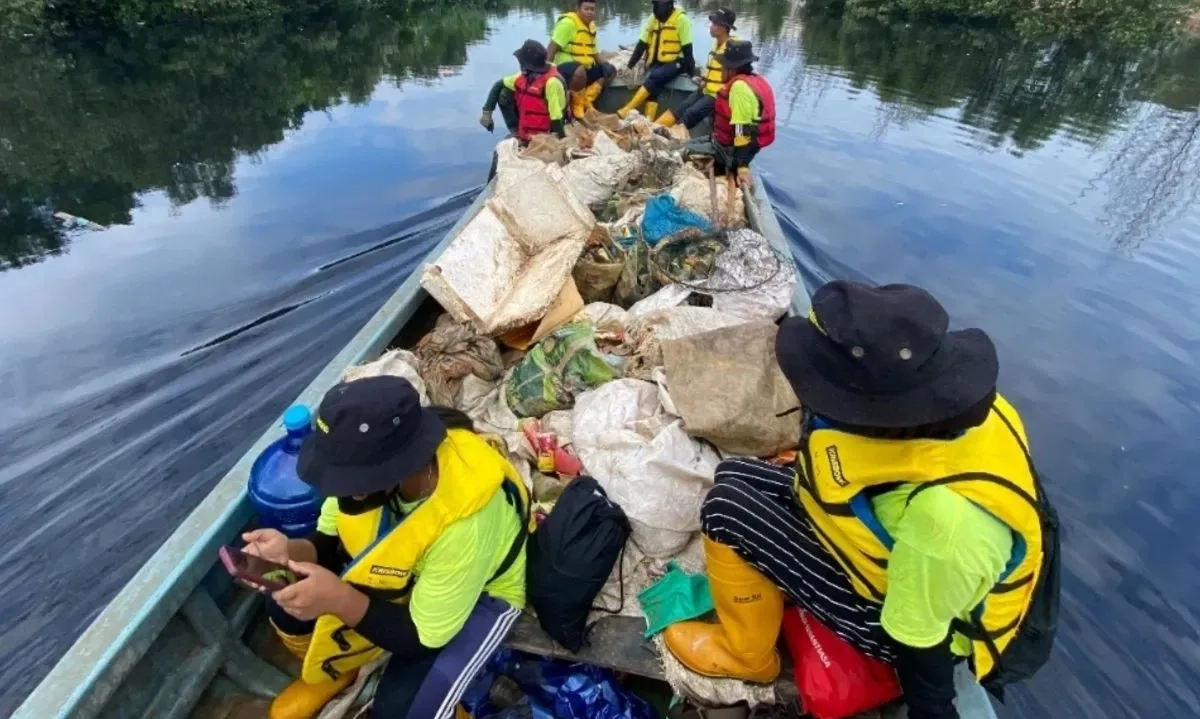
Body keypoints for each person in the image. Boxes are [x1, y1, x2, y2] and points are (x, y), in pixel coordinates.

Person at [663, 281, 1060, 719]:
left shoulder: (947, 525)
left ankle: (750, 659)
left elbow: (920, 643)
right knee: (734, 473)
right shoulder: (964, 408)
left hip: (902, 625)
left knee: (726, 509)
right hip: (891, 554)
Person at [246, 375, 530, 719]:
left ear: (399, 468)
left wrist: (337, 598)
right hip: (402, 571)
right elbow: (329, 540)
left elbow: (422, 637)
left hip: (476, 595)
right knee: (283, 593)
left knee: (401, 711)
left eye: (350, 483)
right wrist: (288, 551)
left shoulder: (465, 523)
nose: (341, 490)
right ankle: (340, 669)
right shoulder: (361, 475)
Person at [708, 39, 775, 191]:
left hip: (738, 147)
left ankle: (726, 172)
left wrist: (742, 166)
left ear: (732, 69)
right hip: (751, 143)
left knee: (690, 151)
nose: (721, 70)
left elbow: (741, 129)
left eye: (723, 67)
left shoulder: (738, 89)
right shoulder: (755, 80)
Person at [654, 7, 737, 131]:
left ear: (725, 28)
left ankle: (669, 138)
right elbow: (713, 70)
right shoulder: (717, 43)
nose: (711, 26)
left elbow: (737, 77)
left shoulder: (734, 48)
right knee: (682, 107)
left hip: (717, 96)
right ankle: (654, 129)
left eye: (715, 24)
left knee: (690, 114)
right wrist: (703, 79)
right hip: (706, 89)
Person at [616, 0, 696, 120]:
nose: (657, 8)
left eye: (659, 5)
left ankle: (627, 109)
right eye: (655, 4)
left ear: (670, 4)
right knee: (652, 87)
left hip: (678, 62)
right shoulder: (652, 19)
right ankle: (649, 121)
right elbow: (641, 44)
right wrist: (630, 66)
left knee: (655, 76)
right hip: (658, 61)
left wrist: (692, 74)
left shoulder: (682, 21)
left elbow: (688, 51)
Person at [480, 40, 568, 144]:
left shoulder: (551, 82)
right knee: (504, 93)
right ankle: (516, 131)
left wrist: (560, 140)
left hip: (548, 130)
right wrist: (487, 113)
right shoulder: (523, 77)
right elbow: (498, 85)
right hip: (527, 127)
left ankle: (539, 137)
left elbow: (556, 115)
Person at [547, 0, 616, 118]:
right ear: (578, 9)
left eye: (592, 9)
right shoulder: (568, 24)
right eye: (586, 9)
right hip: (565, 70)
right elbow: (552, 48)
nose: (589, 12)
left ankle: (587, 100)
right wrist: (548, 73)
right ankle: (576, 106)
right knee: (580, 70)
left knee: (609, 70)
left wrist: (607, 66)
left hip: (584, 70)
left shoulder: (591, 26)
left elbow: (594, 53)